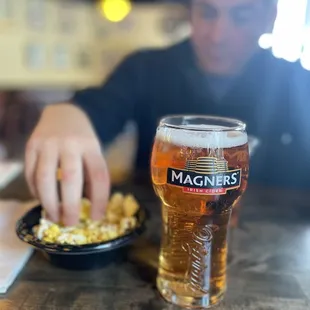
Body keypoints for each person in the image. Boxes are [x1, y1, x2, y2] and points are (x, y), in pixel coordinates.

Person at [25, 0, 310, 226]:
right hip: (155, 235)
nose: (219, 35)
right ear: (190, 12)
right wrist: (68, 113)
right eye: (207, 12)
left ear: (269, 17)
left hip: (274, 247)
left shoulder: (299, 83)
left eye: (241, 16)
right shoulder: (145, 68)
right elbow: (99, 108)